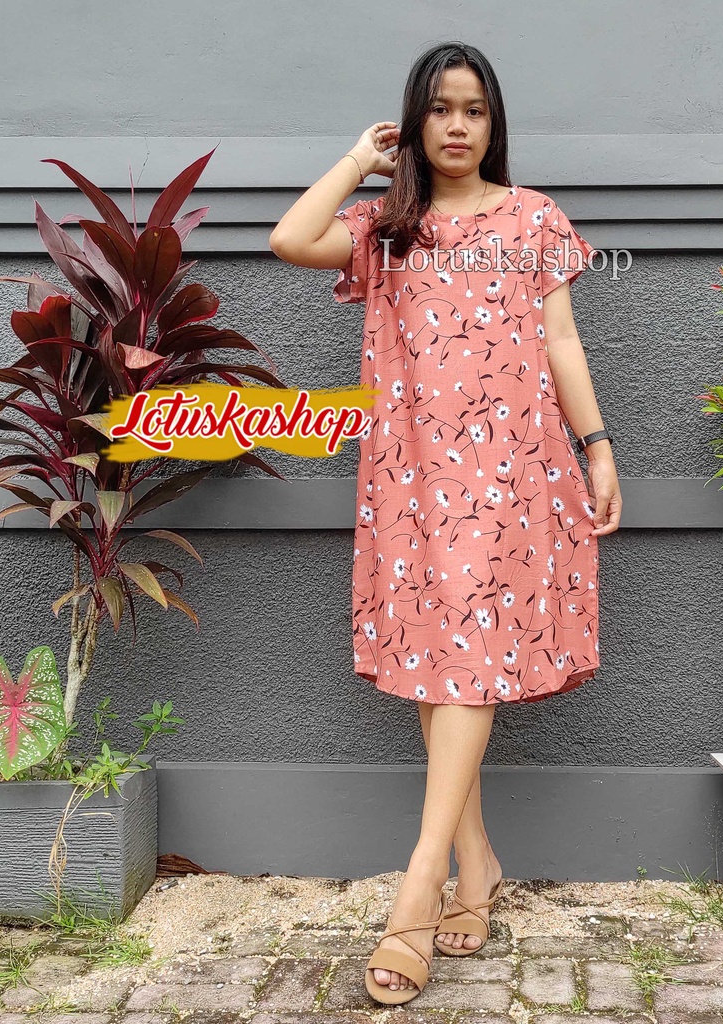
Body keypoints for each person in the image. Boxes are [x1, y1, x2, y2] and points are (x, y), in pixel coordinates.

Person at [270, 40, 621, 1006]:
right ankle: (479, 865)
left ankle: (419, 884)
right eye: (439, 109)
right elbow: (291, 239)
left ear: (492, 122)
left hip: (512, 472)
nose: (457, 125)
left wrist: (597, 446)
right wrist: (360, 159)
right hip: (411, 473)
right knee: (439, 660)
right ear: (415, 121)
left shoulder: (533, 218)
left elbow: (559, 338)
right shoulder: (388, 227)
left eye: (473, 109)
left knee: (462, 652)